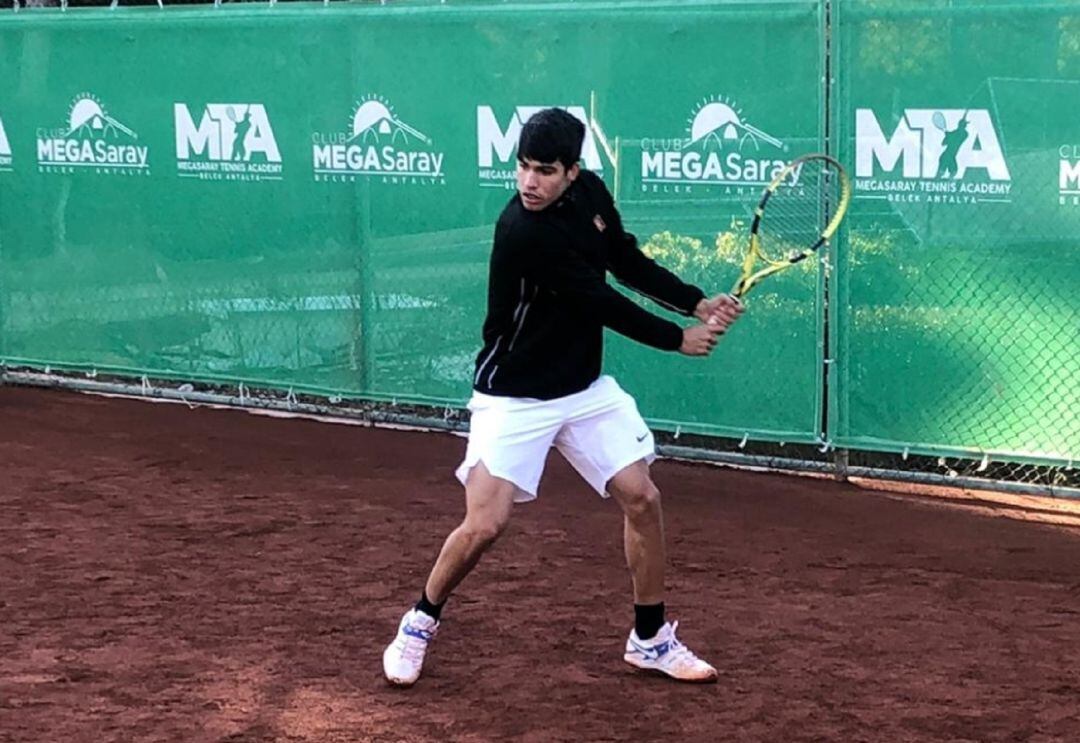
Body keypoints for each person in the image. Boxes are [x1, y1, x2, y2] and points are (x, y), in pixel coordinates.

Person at [383, 108, 743, 687]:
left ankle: (649, 639)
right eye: (523, 168)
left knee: (642, 498)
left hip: (582, 388)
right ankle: (420, 619)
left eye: (545, 171)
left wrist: (695, 302)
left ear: (573, 172)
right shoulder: (523, 231)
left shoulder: (591, 196)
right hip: (515, 395)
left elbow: (623, 259)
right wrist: (677, 339)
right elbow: (596, 299)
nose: (530, 182)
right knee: (484, 525)